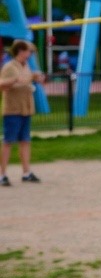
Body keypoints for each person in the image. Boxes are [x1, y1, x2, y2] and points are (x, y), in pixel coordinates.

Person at [0, 40, 45, 186]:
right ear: (20, 51)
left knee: (25, 141)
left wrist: (35, 77)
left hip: (26, 109)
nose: (30, 54)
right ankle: (2, 174)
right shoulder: (10, 66)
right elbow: (2, 84)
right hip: (13, 110)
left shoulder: (26, 66)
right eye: (29, 51)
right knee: (8, 141)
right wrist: (16, 80)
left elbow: (27, 81)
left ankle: (26, 173)